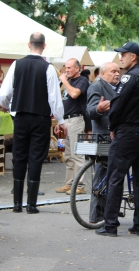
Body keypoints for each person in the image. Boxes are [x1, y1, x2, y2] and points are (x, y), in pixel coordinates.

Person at [0, 32, 67, 214]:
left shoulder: (16, 65)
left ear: (29, 45)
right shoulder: (48, 68)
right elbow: (54, 98)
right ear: (44, 46)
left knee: (19, 156)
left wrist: (5, 105)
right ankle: (32, 204)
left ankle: (16, 204)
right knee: (36, 157)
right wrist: (60, 120)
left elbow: (4, 93)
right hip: (41, 118)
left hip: (20, 116)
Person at [95, 42, 139, 237]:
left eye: (124, 54)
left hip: (128, 132)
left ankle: (110, 224)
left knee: (115, 177)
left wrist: (113, 126)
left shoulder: (130, 76)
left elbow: (118, 103)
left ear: (133, 57)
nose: (120, 58)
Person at [86, 62, 120, 223]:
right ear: (103, 73)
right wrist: (98, 109)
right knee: (100, 176)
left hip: (116, 136)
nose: (117, 74)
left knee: (110, 176)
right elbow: (90, 110)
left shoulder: (118, 87)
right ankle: (96, 215)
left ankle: (108, 211)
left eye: (118, 71)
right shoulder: (96, 87)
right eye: (113, 71)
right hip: (103, 137)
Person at [55, 58, 90, 195]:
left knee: (77, 154)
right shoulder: (68, 81)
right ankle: (69, 183)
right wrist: (60, 121)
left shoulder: (82, 81)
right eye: (66, 68)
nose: (67, 70)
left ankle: (80, 185)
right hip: (66, 120)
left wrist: (63, 81)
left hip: (76, 120)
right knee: (67, 155)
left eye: (69, 68)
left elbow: (75, 94)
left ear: (77, 68)